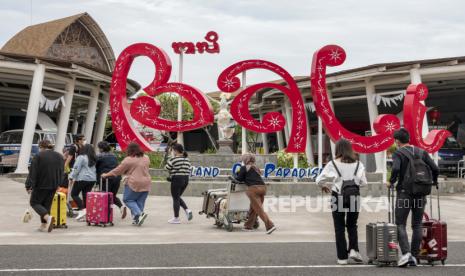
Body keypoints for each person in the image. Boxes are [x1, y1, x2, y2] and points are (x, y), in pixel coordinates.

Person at [389, 128, 439, 267]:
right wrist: (433, 181)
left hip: (405, 193)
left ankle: (406, 255)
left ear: (397, 141)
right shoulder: (421, 152)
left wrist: (391, 181)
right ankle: (415, 255)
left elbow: (396, 169)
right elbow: (435, 168)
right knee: (417, 224)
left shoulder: (398, 153)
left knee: (400, 223)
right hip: (421, 192)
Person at [316, 139, 367, 265]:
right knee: (352, 224)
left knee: (339, 227)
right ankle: (354, 250)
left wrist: (324, 185)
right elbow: (364, 183)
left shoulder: (333, 163)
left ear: (337, 149)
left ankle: (342, 257)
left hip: (337, 195)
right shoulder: (358, 164)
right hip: (354, 195)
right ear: (350, 149)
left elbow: (318, 180)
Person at [102, 143, 151, 226]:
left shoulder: (128, 159)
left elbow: (118, 170)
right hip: (146, 182)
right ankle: (137, 219)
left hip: (134, 182)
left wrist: (106, 174)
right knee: (139, 201)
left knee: (128, 199)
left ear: (130, 150)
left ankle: (140, 214)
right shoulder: (146, 157)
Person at [25, 140, 64, 232]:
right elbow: (62, 171)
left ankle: (48, 218)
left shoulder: (38, 156)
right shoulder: (59, 156)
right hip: (54, 184)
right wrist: (59, 183)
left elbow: (33, 172)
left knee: (34, 203)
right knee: (46, 204)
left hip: (41, 184)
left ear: (41, 147)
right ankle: (43, 225)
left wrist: (29, 185)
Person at [234, 153, 276, 234]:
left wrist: (235, 175)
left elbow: (239, 179)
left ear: (246, 160)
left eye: (243, 160)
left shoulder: (244, 167)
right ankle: (248, 226)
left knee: (259, 209)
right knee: (254, 208)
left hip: (254, 189)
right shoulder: (256, 167)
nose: (242, 161)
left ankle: (270, 225)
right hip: (263, 188)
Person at [96, 141, 127, 219]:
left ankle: (105, 214)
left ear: (101, 148)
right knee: (112, 195)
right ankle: (121, 207)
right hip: (116, 177)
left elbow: (95, 168)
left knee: (104, 196)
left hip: (105, 179)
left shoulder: (99, 156)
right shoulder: (114, 155)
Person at [165, 143, 193, 224]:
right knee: (177, 197)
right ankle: (187, 210)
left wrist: (170, 158)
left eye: (173, 150)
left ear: (176, 150)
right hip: (185, 179)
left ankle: (176, 218)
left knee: (176, 198)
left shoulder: (174, 159)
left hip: (177, 179)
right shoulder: (187, 159)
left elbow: (166, 168)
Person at [69, 144, 97, 221]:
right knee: (86, 196)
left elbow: (76, 168)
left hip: (82, 178)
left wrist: (71, 176)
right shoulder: (94, 158)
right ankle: (86, 213)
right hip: (92, 179)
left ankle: (82, 210)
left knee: (74, 194)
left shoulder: (81, 157)